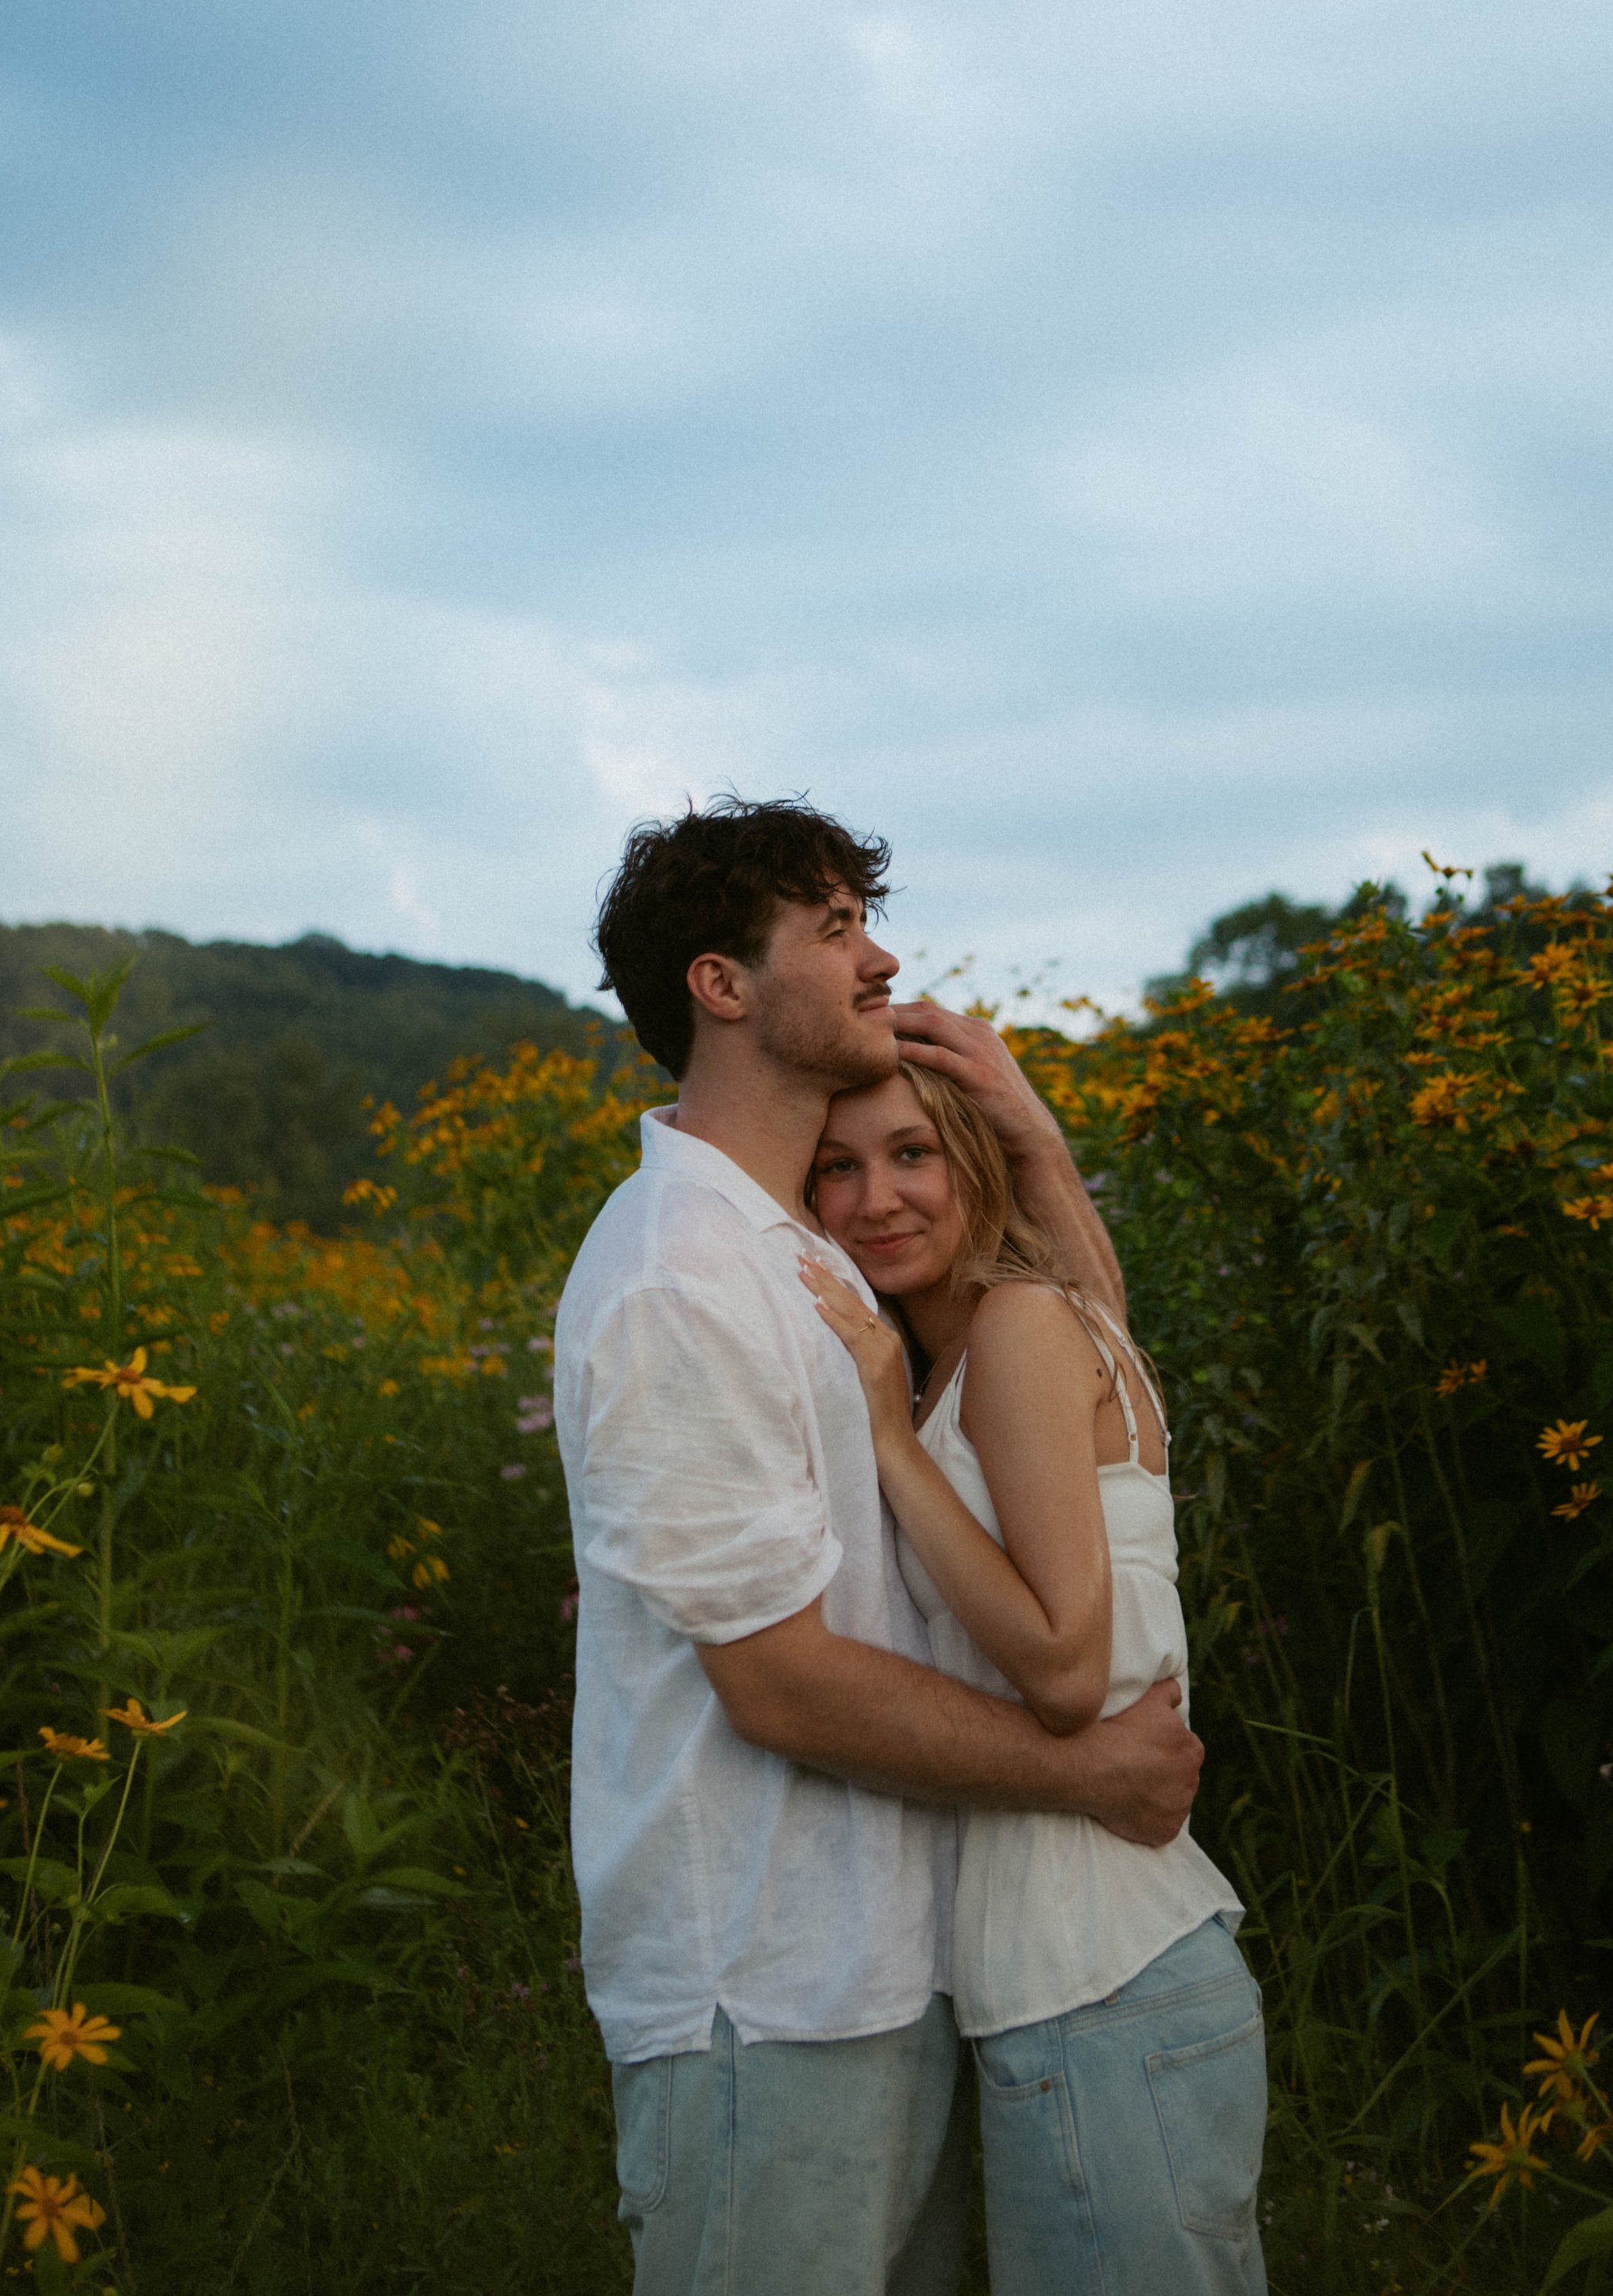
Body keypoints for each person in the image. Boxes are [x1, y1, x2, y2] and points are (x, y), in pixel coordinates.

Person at [554, 798, 1203, 2296]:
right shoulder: (680, 1277)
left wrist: (1031, 1142)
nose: (881, 956)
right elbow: (775, 1685)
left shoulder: (806, 1251)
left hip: (894, 1977)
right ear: (723, 984)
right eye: (836, 926)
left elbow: (1075, 1373)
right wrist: (1080, 1766)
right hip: (759, 1997)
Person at [800, 1042, 1267, 2296]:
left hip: (1105, 1985)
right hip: (1074, 1987)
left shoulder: (1015, 1325)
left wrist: (892, 1444)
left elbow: (1068, 1670)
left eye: (913, 1153)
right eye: (837, 1168)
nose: (877, 1197)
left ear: (976, 1162)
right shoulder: (1005, 1338)